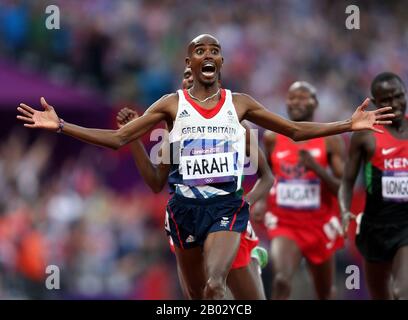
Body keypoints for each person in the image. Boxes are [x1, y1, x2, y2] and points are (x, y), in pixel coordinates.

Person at [17, 34, 394, 299]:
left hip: (228, 208)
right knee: (199, 295)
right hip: (183, 212)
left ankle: (248, 252)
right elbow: (128, 151)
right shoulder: (170, 111)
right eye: (200, 50)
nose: (208, 55)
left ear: (222, 61)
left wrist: (348, 123)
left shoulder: (239, 106)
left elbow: (294, 131)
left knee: (216, 285)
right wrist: (62, 125)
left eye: (215, 50)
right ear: (189, 62)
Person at [116, 67, 270, 299]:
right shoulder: (174, 135)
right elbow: (157, 182)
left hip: (225, 219)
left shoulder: (236, 126)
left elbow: (267, 176)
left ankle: (253, 259)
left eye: (196, 77)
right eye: (186, 78)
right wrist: (134, 138)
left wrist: (245, 204)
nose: (191, 82)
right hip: (190, 220)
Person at [256, 81, 345, 299]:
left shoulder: (330, 140)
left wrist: (317, 168)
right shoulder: (272, 137)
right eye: (292, 97)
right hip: (286, 223)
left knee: (324, 292)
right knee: (281, 279)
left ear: (315, 103)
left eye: (303, 97)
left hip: (319, 224)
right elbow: (266, 173)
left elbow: (343, 189)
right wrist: (260, 200)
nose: (296, 102)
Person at [339, 72, 408, 300]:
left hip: (405, 225)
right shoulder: (365, 134)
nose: (395, 104)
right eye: (386, 100)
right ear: (376, 102)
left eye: (398, 96)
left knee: (401, 292)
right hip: (374, 227)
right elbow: (348, 180)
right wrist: (344, 209)